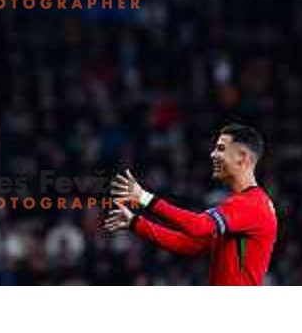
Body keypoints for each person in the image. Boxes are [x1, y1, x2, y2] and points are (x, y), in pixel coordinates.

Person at [105, 122, 277, 285]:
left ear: (242, 157)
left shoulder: (252, 205)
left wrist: (144, 198)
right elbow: (190, 245)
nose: (213, 154)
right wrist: (136, 223)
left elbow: (199, 226)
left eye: (221, 149)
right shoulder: (242, 205)